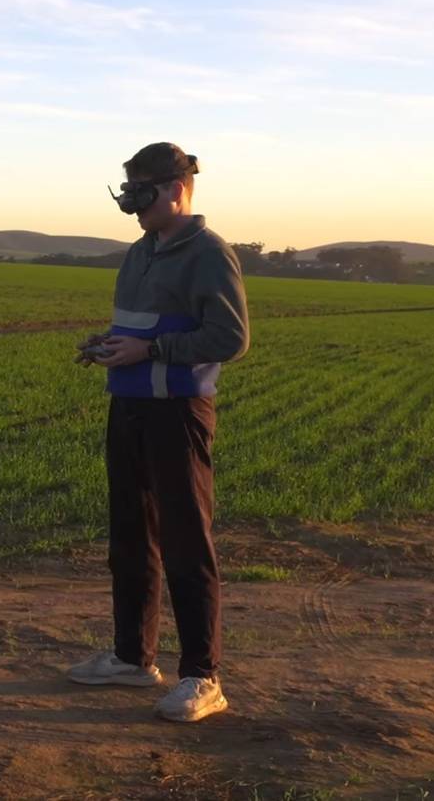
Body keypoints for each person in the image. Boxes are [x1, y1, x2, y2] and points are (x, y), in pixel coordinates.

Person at [65, 142, 250, 723]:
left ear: (175, 189)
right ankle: (132, 657)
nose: (133, 205)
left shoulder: (209, 254)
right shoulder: (140, 252)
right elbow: (140, 328)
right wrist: (108, 346)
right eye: (129, 193)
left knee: (186, 541)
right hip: (129, 406)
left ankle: (202, 676)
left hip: (178, 413)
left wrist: (152, 348)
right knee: (129, 535)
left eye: (142, 193)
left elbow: (230, 338)